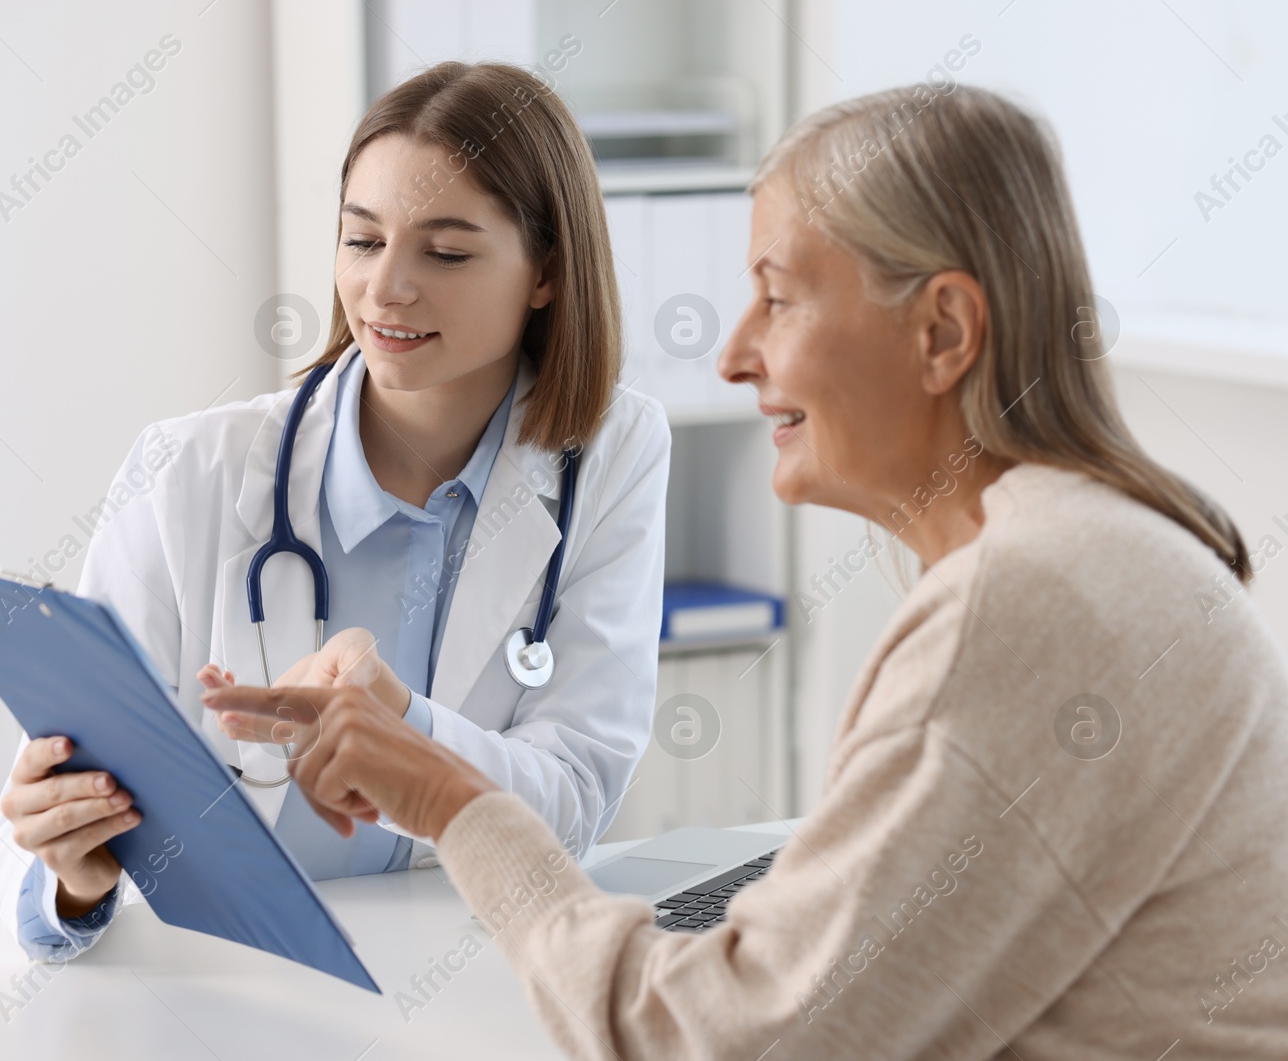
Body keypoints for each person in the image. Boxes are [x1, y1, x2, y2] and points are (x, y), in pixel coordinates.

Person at [209, 83, 1288, 1057]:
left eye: (777, 296)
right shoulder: (1095, 545)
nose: (733, 352)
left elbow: (714, 1043)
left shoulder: (1031, 596)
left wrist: (452, 799)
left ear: (942, 329)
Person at [0, 61, 671, 962]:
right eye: (362, 241)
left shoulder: (611, 450)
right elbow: (37, 814)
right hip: (230, 979)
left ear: (546, 272)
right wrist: (72, 877)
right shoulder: (186, 470)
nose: (387, 289)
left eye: (446, 251)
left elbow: (575, 799)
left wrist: (404, 729)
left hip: (468, 973)